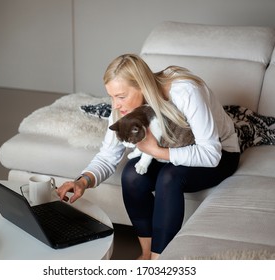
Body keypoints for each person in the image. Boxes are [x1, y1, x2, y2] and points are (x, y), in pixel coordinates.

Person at [56, 54, 240, 260]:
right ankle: (146, 253)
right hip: (168, 152)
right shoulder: (124, 109)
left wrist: (156, 151)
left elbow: (211, 154)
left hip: (220, 155)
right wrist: (83, 181)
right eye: (112, 96)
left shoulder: (185, 91)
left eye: (121, 96)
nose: (115, 105)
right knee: (132, 176)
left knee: (169, 178)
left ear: (142, 86)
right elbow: (108, 155)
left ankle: (158, 260)